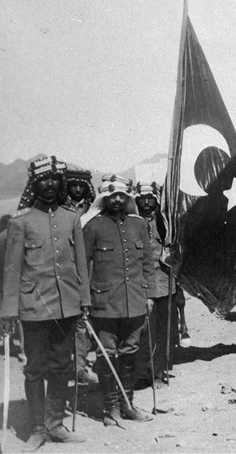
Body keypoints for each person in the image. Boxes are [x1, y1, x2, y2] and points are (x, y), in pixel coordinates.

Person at [0, 156, 89, 446]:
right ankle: (38, 428)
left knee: (63, 366)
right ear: (34, 183)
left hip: (66, 306)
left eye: (54, 179)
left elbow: (80, 266)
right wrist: (8, 312)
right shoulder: (20, 222)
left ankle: (55, 425)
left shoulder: (71, 218)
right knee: (35, 368)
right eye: (42, 180)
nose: (49, 184)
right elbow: (12, 271)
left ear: (61, 182)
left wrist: (83, 302)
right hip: (34, 309)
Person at [82, 174, 155, 425]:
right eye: (111, 196)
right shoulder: (93, 226)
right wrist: (84, 300)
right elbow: (83, 266)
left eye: (121, 196)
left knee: (130, 352)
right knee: (106, 354)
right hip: (104, 304)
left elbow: (147, 262)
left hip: (134, 300)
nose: (117, 200)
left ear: (127, 198)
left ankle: (128, 405)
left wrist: (149, 295)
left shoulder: (138, 225)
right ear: (103, 199)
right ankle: (110, 408)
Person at [133, 181, 177, 388]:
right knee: (142, 331)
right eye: (143, 198)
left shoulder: (164, 221)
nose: (147, 202)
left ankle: (159, 371)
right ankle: (141, 372)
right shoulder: (130, 222)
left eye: (151, 198)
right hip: (140, 284)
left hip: (164, 281)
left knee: (163, 331)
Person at [63, 167, 98, 386]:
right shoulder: (61, 208)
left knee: (86, 320)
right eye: (73, 185)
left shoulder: (93, 209)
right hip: (67, 269)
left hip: (91, 268)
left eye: (81, 186)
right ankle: (72, 366)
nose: (77, 189)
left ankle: (81, 366)